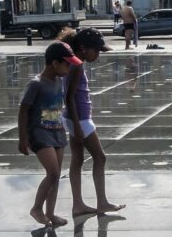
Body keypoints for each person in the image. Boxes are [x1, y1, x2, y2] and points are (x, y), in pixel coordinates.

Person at [59, 28, 124, 217]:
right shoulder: (77, 65)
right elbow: (69, 97)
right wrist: (78, 127)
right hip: (80, 119)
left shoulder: (73, 62)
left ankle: (78, 204)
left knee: (77, 160)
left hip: (74, 118)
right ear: (83, 48)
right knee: (100, 157)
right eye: (96, 51)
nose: (98, 55)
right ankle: (102, 202)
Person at [18, 41, 82, 227]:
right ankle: (36, 208)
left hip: (57, 132)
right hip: (39, 133)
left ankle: (51, 214)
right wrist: (23, 139)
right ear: (54, 63)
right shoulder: (36, 84)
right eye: (67, 64)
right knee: (53, 173)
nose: (69, 68)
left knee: (56, 175)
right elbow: (23, 110)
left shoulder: (59, 81)